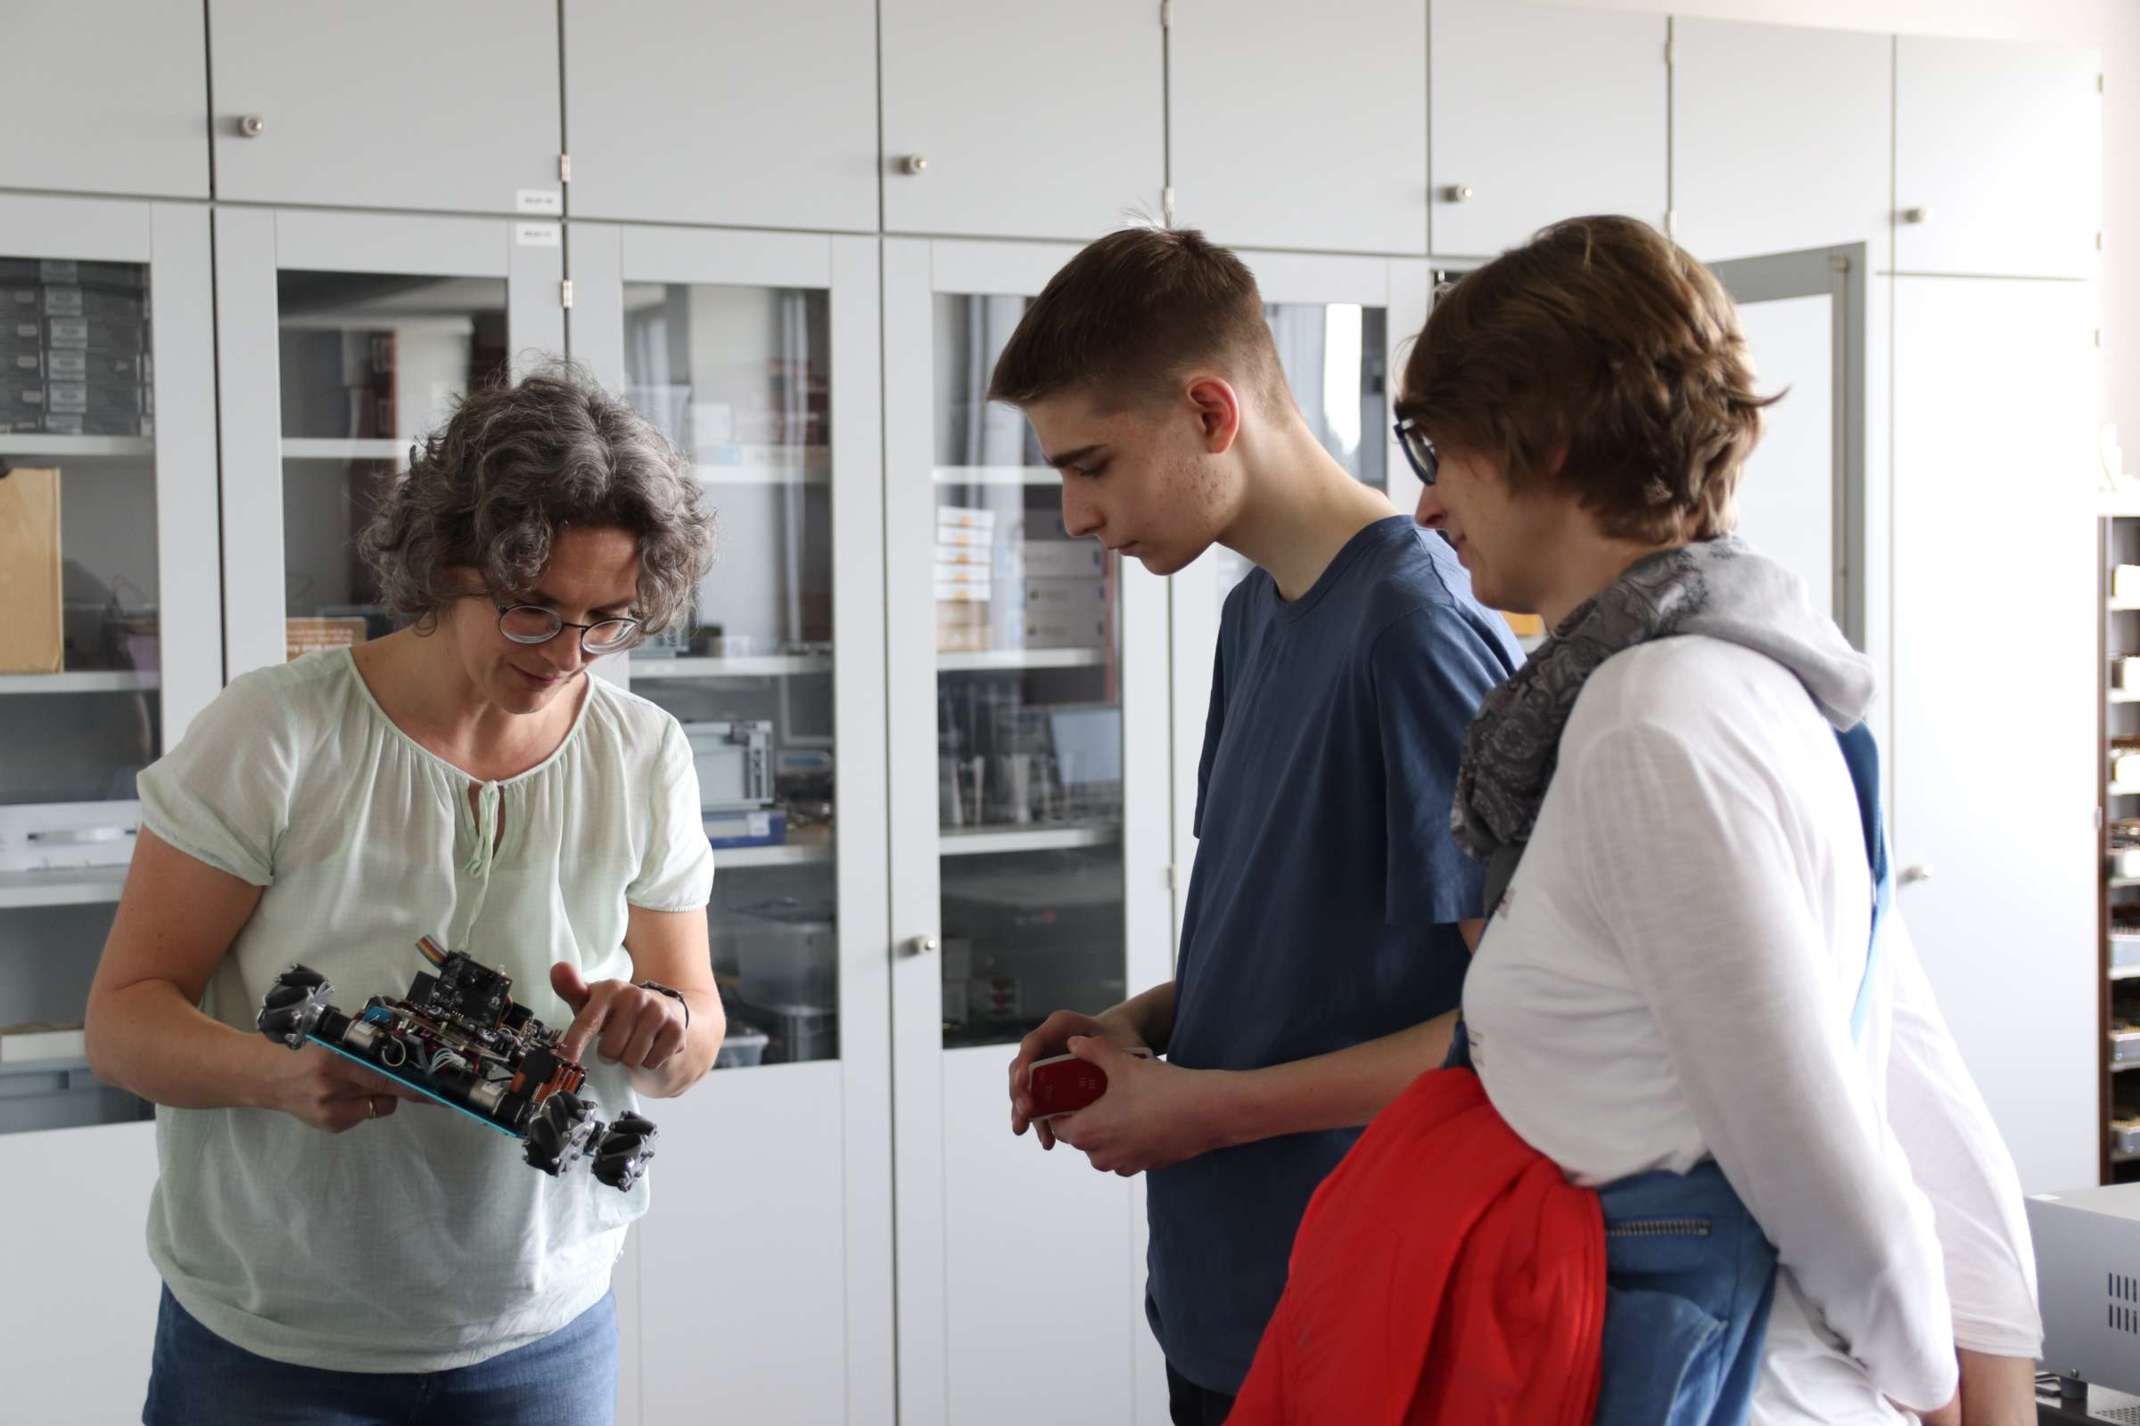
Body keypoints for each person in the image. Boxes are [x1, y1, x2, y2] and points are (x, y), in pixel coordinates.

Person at [1241, 216, 2041, 1425]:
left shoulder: (1646, 722)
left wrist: (1937, 1392)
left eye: (1441, 448)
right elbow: (1908, 1071)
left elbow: (1818, 1158)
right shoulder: (1752, 678)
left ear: (1547, 439)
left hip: (1719, 1384)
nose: (1425, 501)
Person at [83, 366, 725, 1425]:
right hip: (275, 1340)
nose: (568, 657)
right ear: (442, 564)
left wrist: (663, 1027)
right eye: (533, 611)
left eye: (606, 620)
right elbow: (121, 1021)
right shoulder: (274, 735)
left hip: (542, 1330)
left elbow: (695, 1027)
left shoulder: (642, 751)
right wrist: (278, 1076)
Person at [991, 226, 1522, 1422]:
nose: (1076, 515)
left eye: (1091, 465)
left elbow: (1512, 1031)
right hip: (1225, 1293)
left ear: (1208, 412)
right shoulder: (1256, 615)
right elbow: (1292, 932)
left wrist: (1200, 1107)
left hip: (1355, 1307)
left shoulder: (1413, 631)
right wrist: (1140, 1025)